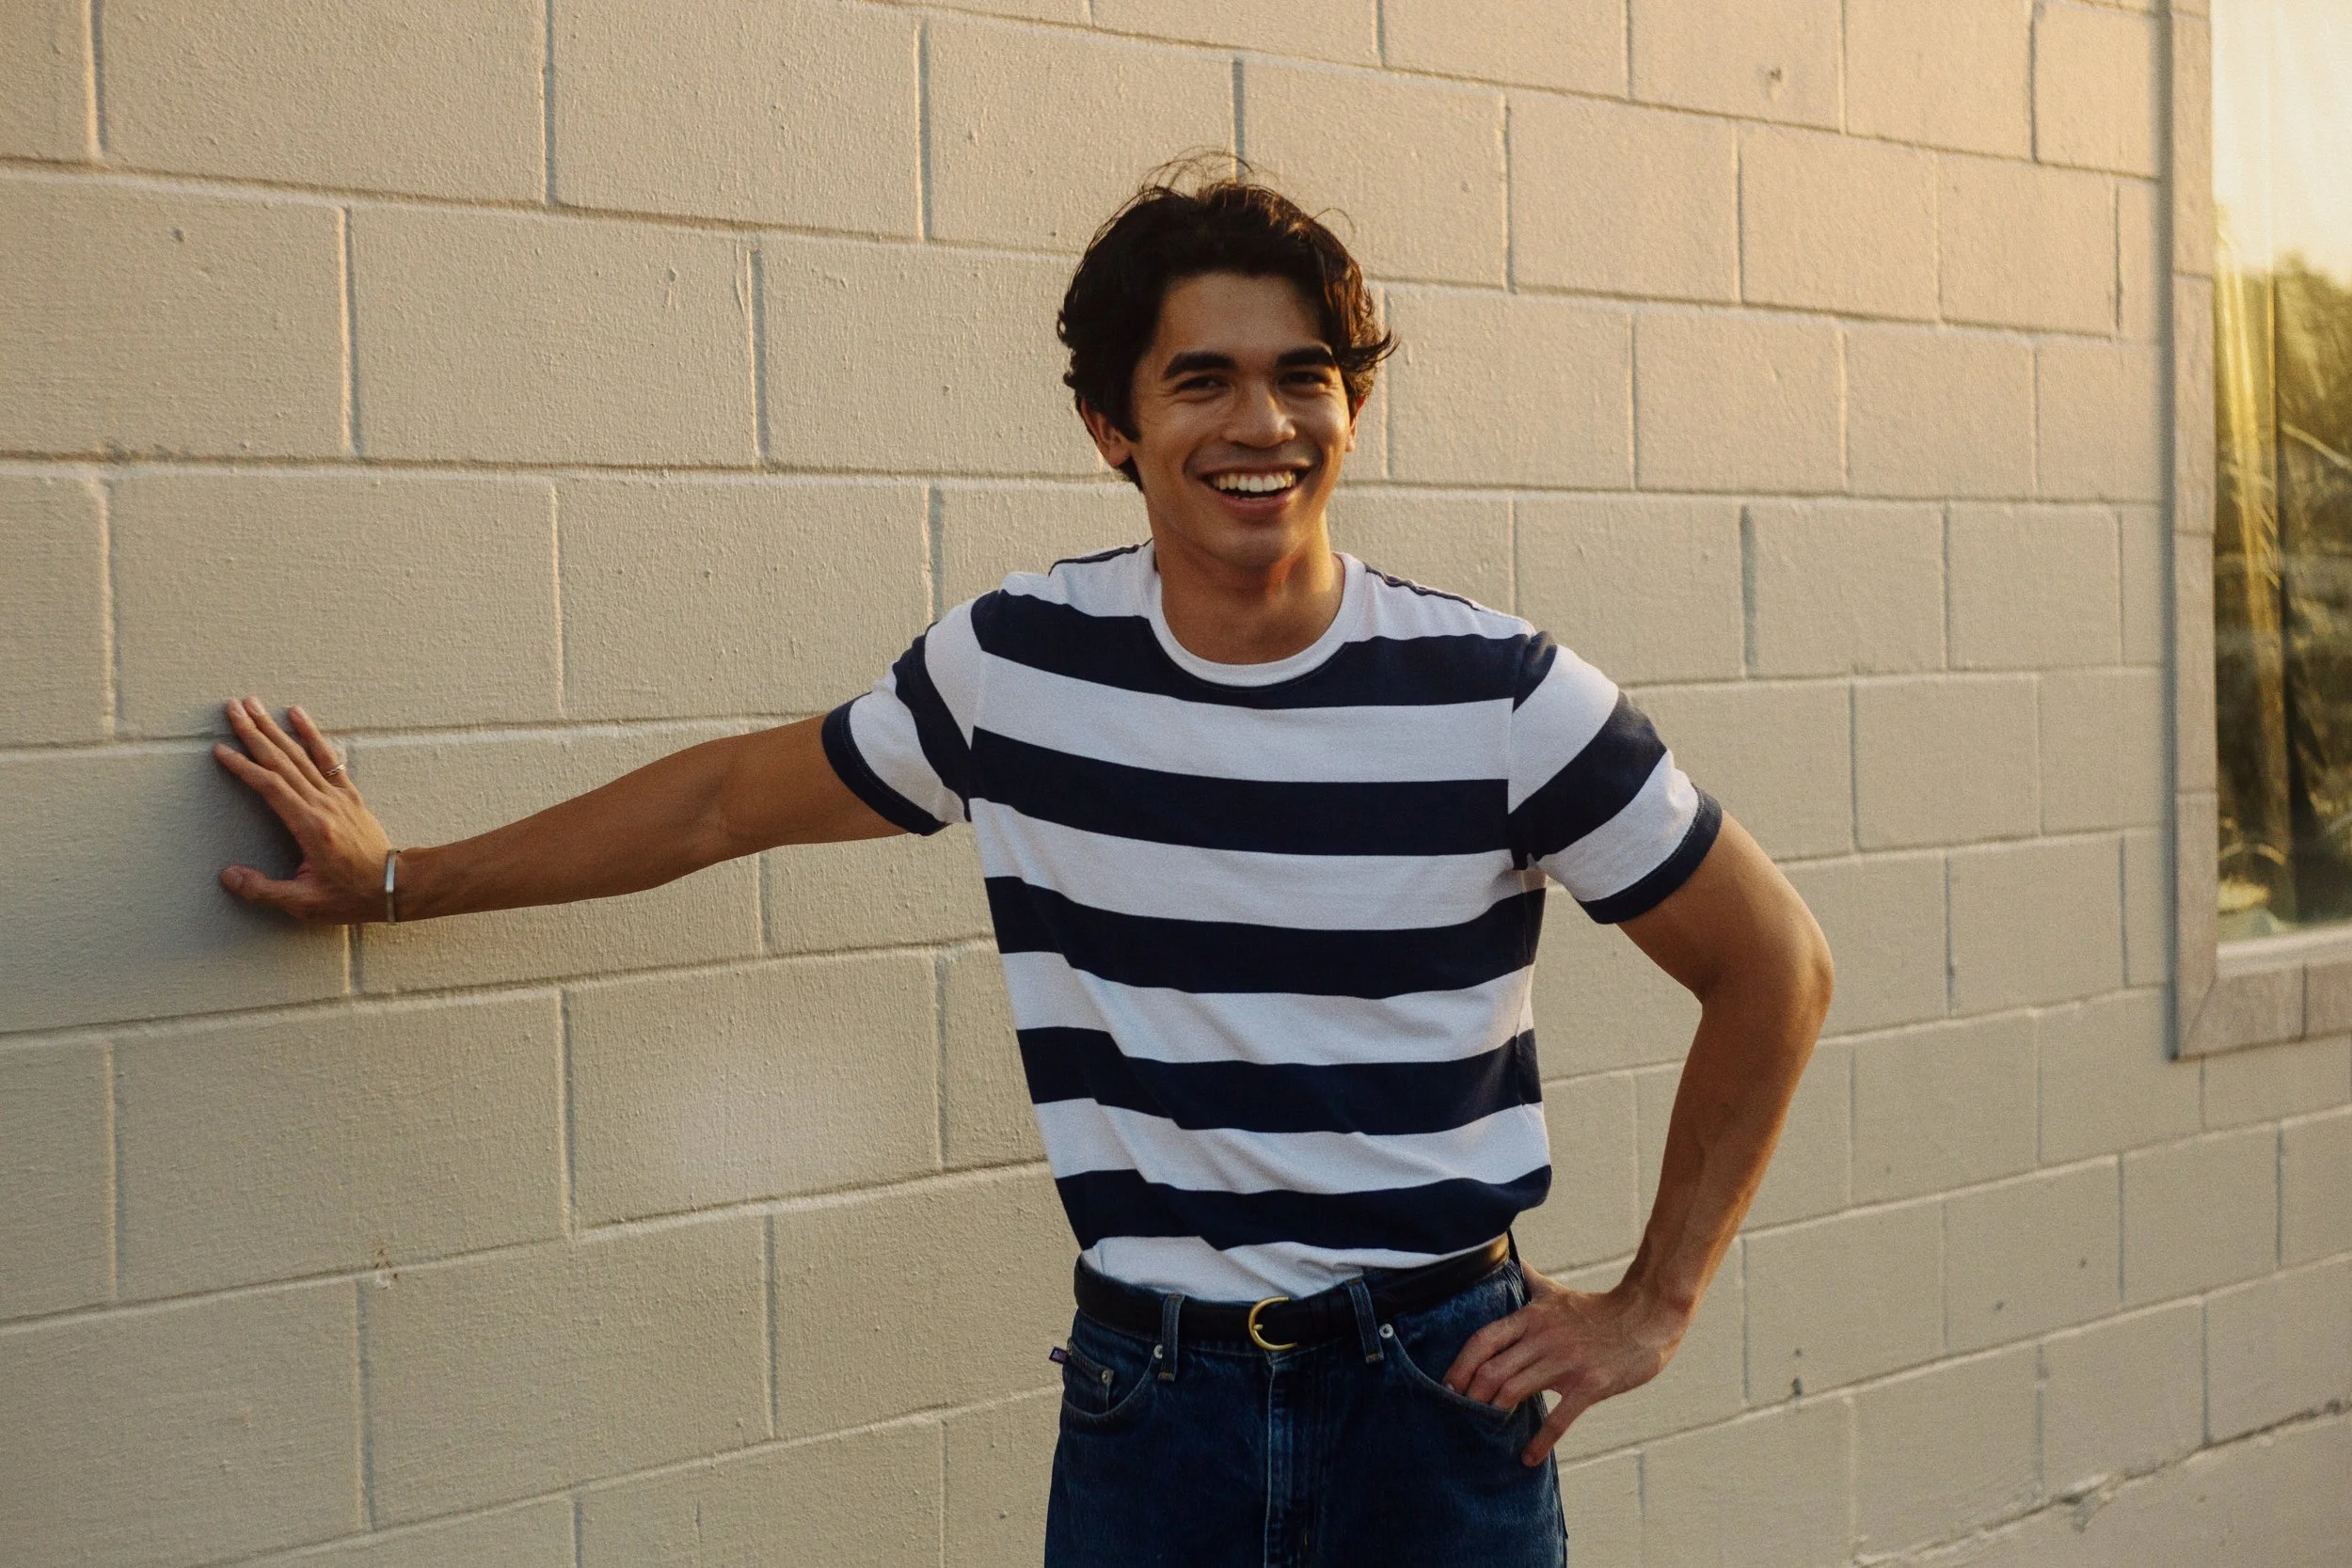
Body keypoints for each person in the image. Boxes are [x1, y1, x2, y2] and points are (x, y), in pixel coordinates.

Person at [215, 173, 1832, 1568]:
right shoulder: (1018, 669)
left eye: (1305, 377)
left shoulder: (1498, 695)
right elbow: (718, 804)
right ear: (1111, 425)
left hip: (1437, 1394)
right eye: (1202, 381)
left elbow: (1776, 966)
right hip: (1155, 1407)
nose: (1263, 424)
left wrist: (1654, 1303)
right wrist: (400, 878)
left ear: (1352, 405)